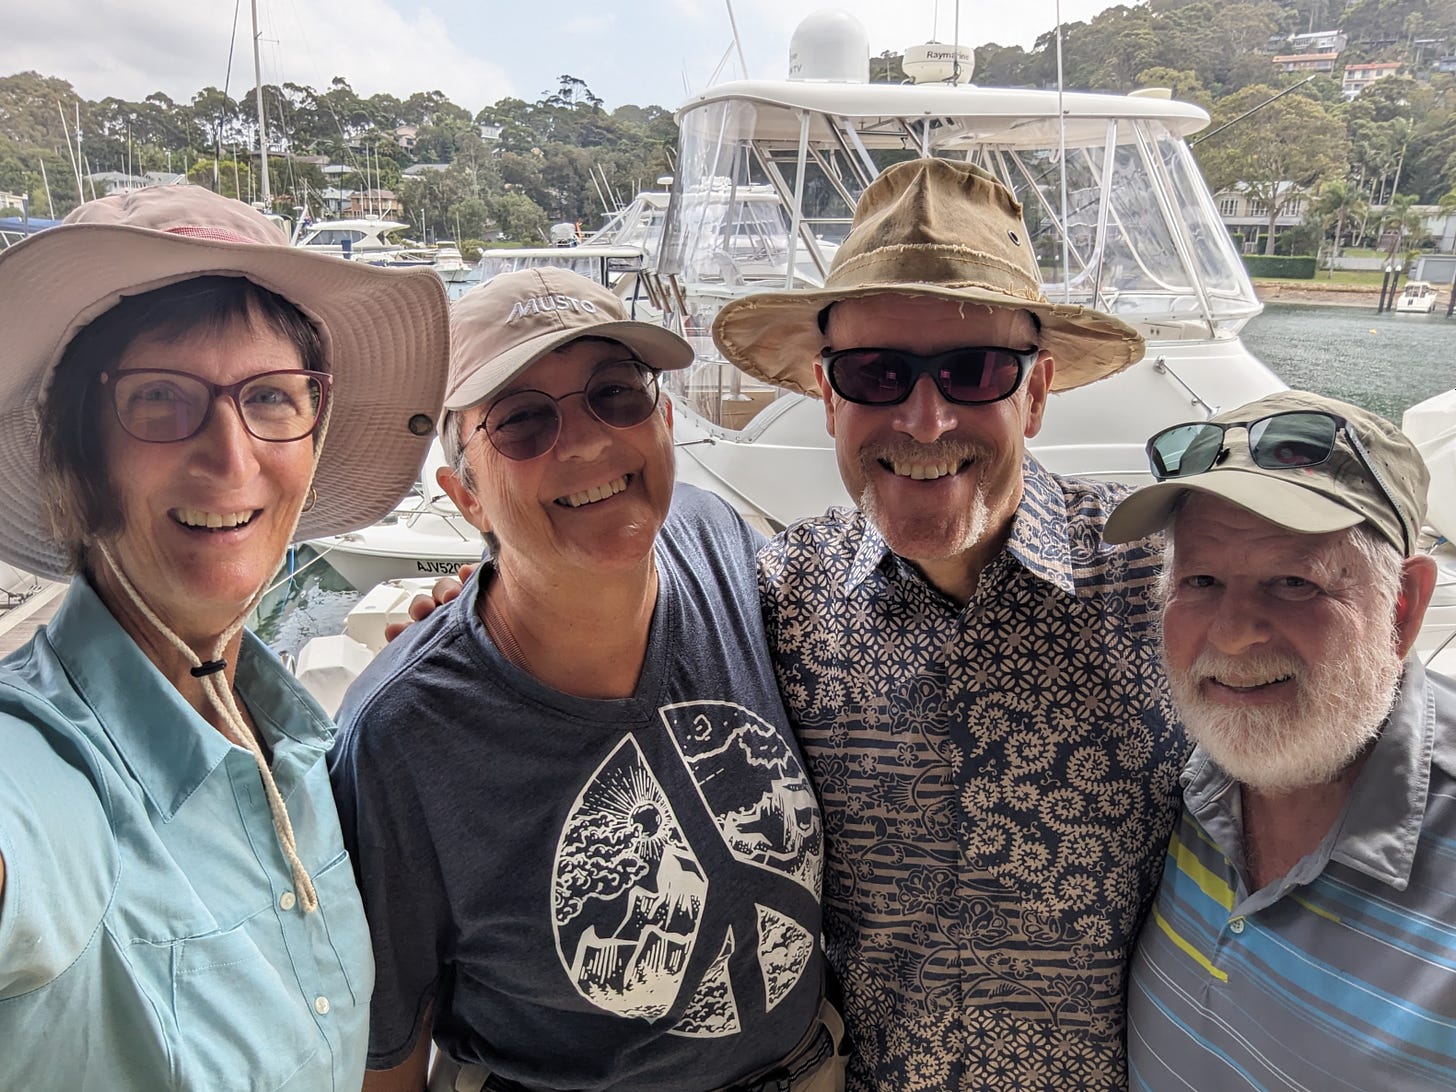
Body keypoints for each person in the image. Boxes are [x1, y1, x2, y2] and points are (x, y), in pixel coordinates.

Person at [711, 157, 1189, 1089]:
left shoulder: (1164, 577)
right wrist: (473, 616)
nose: (924, 422)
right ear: (828, 393)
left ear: (1037, 394)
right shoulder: (775, 598)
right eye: (876, 373)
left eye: (973, 371)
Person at [329, 268, 840, 1092]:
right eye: (523, 422)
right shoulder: (404, 737)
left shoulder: (717, 542)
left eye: (616, 394)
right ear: (467, 498)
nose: (588, 441)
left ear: (665, 419)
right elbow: (385, 1055)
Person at [0, 185, 450, 1089]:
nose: (232, 455)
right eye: (159, 398)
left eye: (274, 397)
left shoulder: (299, 748)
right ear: (75, 450)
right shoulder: (42, 764)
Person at [1102, 389, 1456, 1088]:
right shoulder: (1184, 772)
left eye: (1294, 582)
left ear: (1403, 608)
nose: (1232, 635)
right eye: (1200, 580)